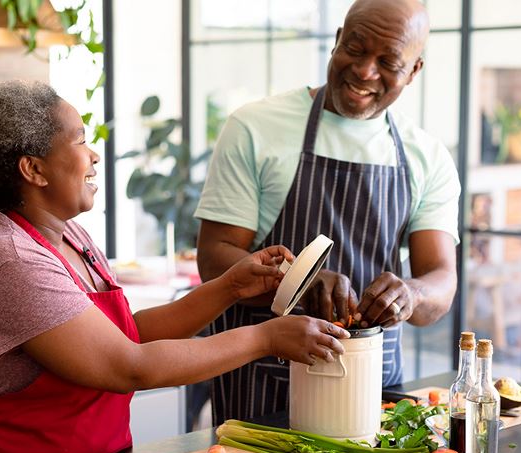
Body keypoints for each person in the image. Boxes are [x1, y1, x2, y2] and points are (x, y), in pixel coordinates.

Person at [0, 80, 348, 453]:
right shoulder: (12, 260)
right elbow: (128, 366)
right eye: (80, 141)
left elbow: (125, 335)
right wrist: (266, 339)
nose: (93, 156)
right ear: (34, 169)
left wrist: (228, 288)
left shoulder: (70, 236)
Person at [195, 0, 459, 425]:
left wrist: (410, 295)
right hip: (263, 390)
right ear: (337, 41)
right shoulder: (255, 127)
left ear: (414, 71)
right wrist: (300, 278)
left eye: (388, 61)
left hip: (373, 389)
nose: (365, 71)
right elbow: (214, 257)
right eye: (355, 49)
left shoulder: (426, 156)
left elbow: (441, 282)